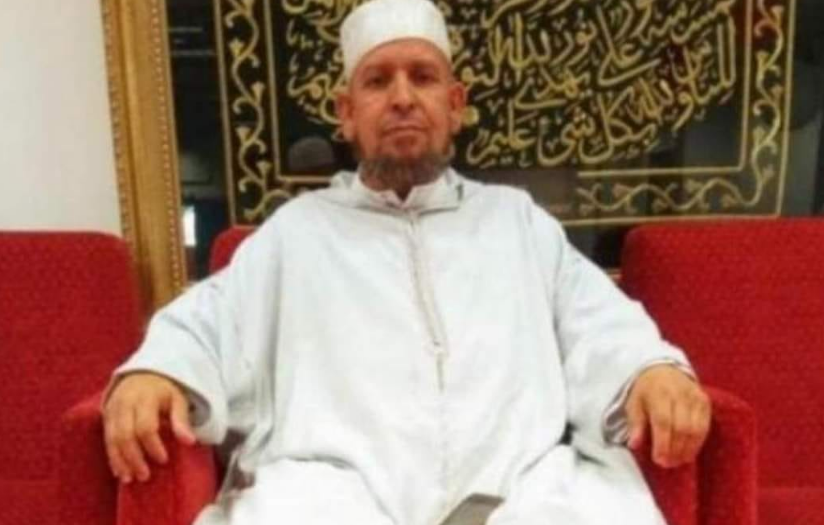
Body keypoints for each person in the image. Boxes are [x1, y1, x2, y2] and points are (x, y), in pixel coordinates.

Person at [103, 1, 711, 524]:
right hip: (334, 497)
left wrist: (648, 371)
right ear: (347, 112)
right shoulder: (295, 234)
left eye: (422, 77)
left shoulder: (517, 223)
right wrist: (158, 373)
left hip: (521, 491)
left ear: (454, 103)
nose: (402, 98)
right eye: (378, 81)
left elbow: (598, 324)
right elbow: (207, 326)